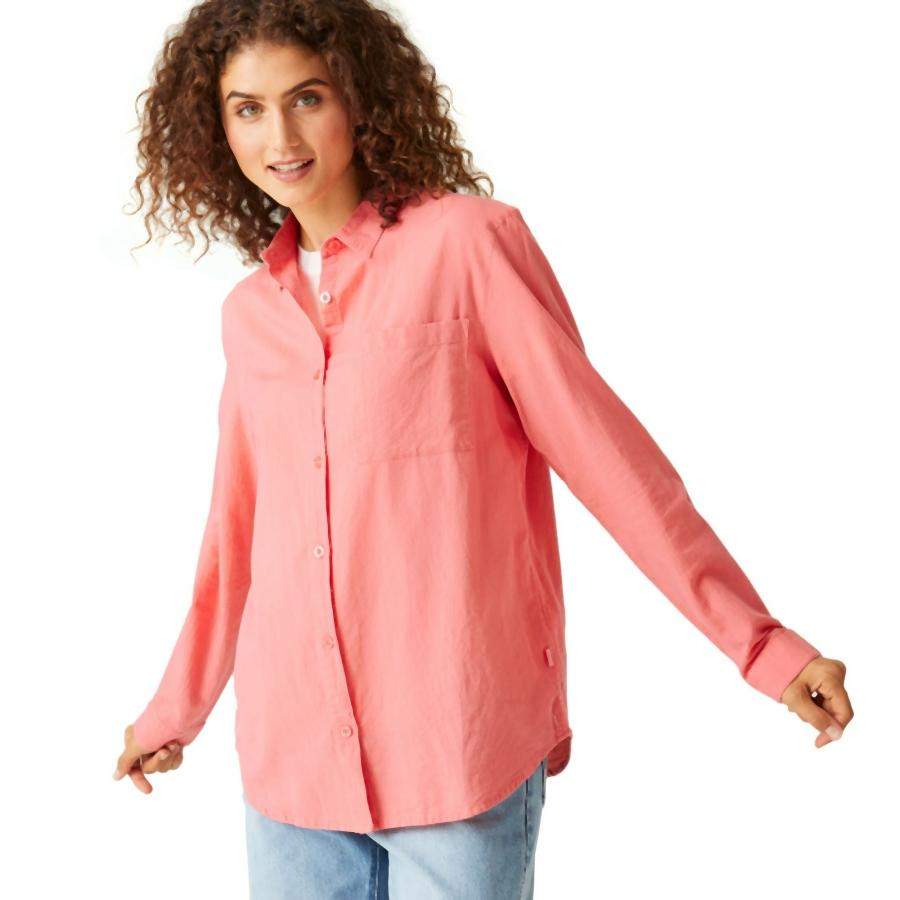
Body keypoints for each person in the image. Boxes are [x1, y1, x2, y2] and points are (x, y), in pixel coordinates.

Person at [112, 1, 853, 897]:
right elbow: (236, 542)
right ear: (216, 126)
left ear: (358, 97)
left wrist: (763, 647)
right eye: (248, 108)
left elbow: (612, 463)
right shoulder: (249, 315)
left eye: (306, 97)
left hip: (454, 748)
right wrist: (175, 710)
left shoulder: (469, 244)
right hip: (292, 765)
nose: (281, 136)